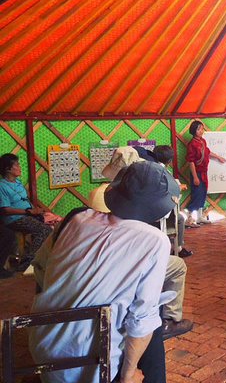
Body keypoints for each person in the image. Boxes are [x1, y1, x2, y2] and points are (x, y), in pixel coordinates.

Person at [29, 161, 180, 383]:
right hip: (91, 363)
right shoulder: (154, 240)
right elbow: (142, 318)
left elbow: (41, 269)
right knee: (150, 320)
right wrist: (129, 375)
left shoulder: (75, 218)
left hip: (42, 346)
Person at [83, 147, 193, 339]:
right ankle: (168, 320)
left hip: (84, 285)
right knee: (172, 266)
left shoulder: (78, 217)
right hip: (121, 272)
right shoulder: (153, 238)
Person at [0, 153, 53, 271]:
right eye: (17, 165)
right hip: (14, 218)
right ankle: (27, 262)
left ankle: (45, 259)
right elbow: (5, 209)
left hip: (27, 214)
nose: (20, 168)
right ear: (8, 169)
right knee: (44, 230)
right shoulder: (2, 186)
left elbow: (24, 199)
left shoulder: (17, 182)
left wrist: (37, 211)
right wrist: (28, 211)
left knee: (53, 223)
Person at [154, 145, 193, 257]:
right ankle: (177, 248)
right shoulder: (162, 171)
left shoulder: (149, 168)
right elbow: (167, 189)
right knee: (179, 218)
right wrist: (179, 187)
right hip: (157, 212)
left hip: (143, 211)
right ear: (169, 161)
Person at [185, 120, 226, 224]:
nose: (201, 131)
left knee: (202, 193)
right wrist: (195, 177)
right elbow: (191, 161)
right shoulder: (192, 144)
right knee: (196, 194)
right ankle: (189, 219)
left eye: (202, 129)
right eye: (198, 129)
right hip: (197, 172)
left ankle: (200, 217)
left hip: (204, 172)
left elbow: (207, 152)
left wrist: (218, 157)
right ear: (193, 130)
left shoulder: (202, 141)